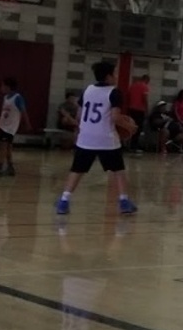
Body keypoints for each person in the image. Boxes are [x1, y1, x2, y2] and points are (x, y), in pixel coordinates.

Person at [56, 61, 137, 216]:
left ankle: (64, 201)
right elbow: (115, 117)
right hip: (106, 138)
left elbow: (79, 116)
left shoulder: (87, 90)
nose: (117, 76)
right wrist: (129, 127)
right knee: (118, 170)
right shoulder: (114, 92)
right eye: (115, 73)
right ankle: (124, 202)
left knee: (77, 170)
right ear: (108, 77)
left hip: (86, 137)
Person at [0, 77, 30, 177]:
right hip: (3, 126)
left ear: (7, 87)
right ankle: (10, 167)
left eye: (2, 85)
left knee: (3, 147)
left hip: (10, 128)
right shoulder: (5, 98)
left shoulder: (17, 97)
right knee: (7, 147)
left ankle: (0, 166)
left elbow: (23, 111)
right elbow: (4, 113)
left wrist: (27, 124)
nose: (1, 88)